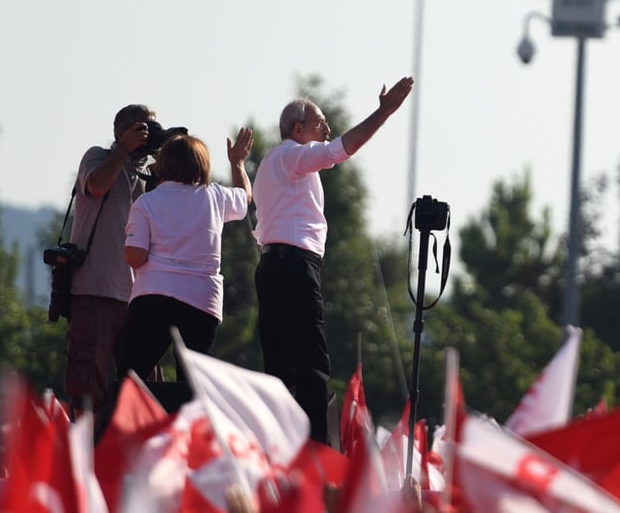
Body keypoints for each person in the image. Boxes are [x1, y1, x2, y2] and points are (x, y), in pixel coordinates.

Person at [253, 76, 414, 444]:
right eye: (318, 123)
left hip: (271, 267)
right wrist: (384, 112)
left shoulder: (270, 165)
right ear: (297, 129)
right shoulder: (294, 156)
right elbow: (343, 148)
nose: (326, 128)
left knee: (279, 366)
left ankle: (280, 446)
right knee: (312, 365)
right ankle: (317, 455)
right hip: (295, 267)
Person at [118, 129, 253, 381]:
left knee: (130, 379)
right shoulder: (215, 197)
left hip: (152, 298)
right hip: (201, 300)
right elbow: (244, 198)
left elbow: (135, 256)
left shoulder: (146, 203)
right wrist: (238, 163)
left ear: (162, 164)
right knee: (194, 387)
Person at [65, 104, 158, 419]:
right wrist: (122, 151)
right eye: (141, 129)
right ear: (120, 131)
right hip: (95, 289)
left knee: (146, 386)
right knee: (88, 384)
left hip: (137, 296)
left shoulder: (147, 174)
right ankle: (85, 457)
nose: (146, 136)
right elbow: (97, 185)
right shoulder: (98, 157)